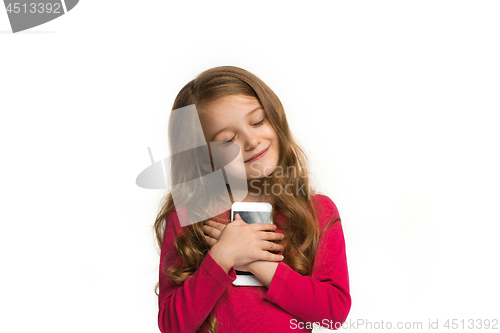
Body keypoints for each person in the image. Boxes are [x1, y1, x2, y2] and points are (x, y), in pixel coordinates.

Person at [153, 66, 351, 333]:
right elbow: (172, 326)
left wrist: (257, 263)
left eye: (257, 121)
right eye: (227, 140)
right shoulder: (189, 217)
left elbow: (333, 312)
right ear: (204, 157)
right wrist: (222, 256)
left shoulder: (317, 211)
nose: (251, 141)